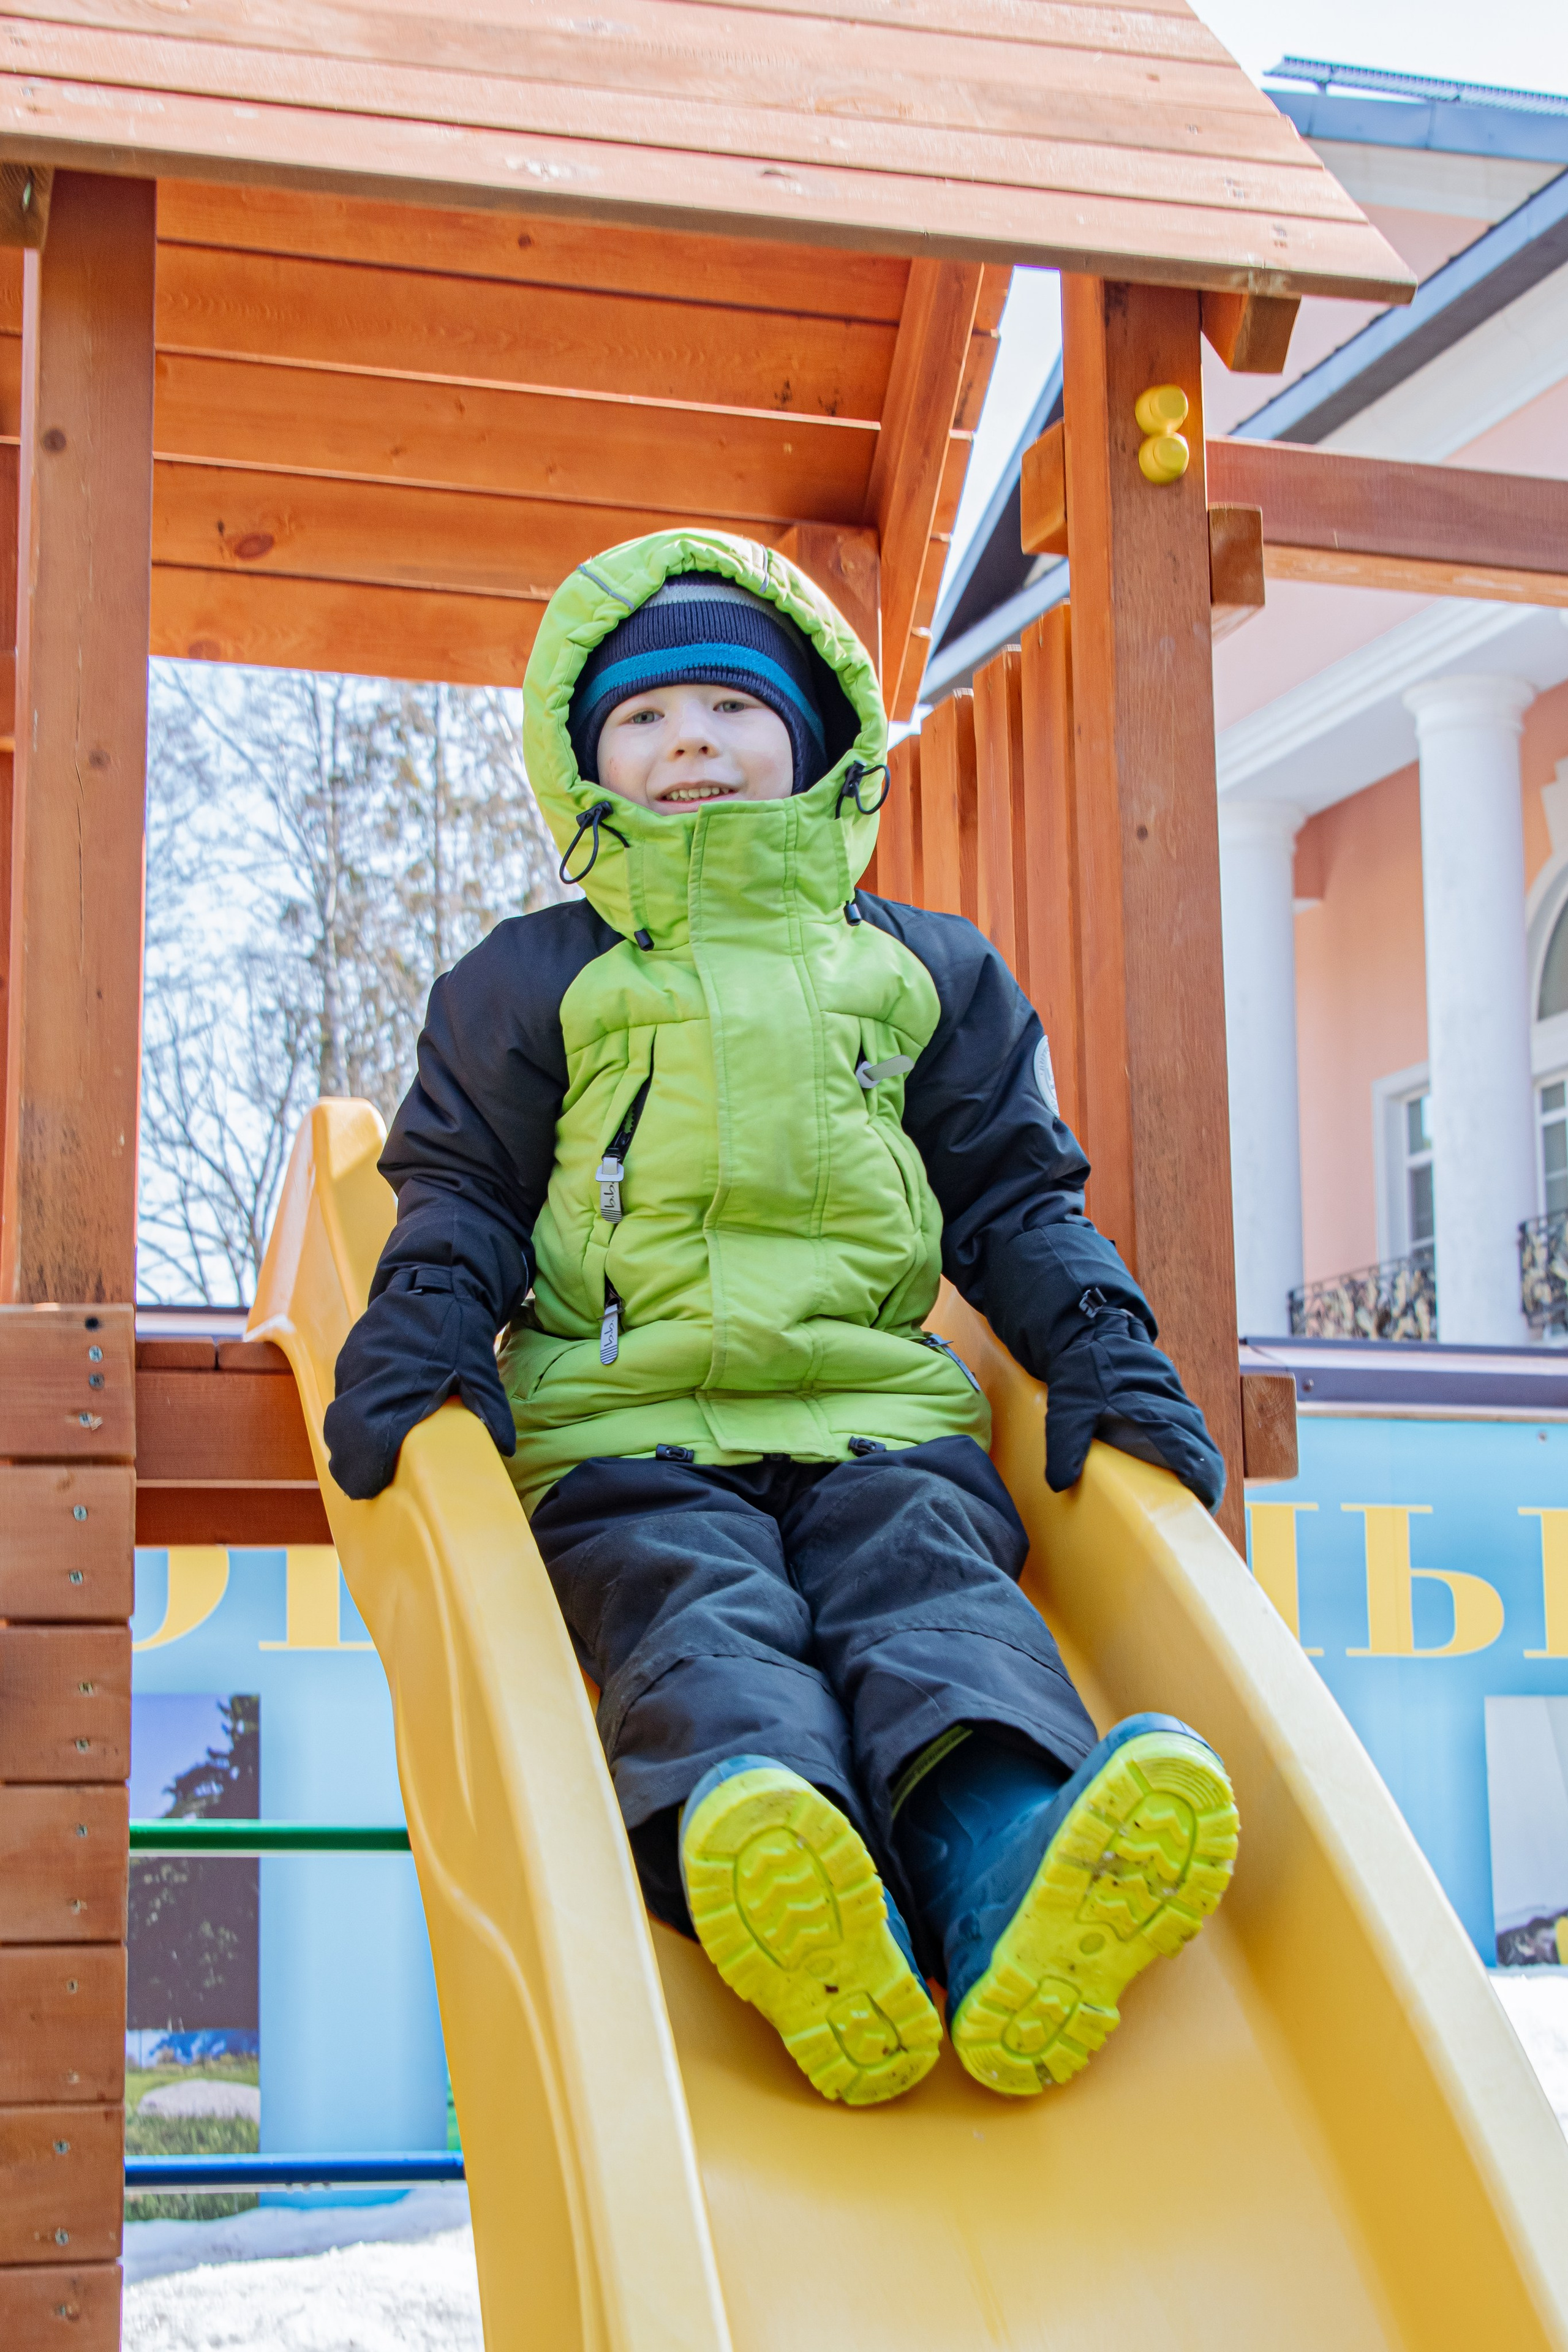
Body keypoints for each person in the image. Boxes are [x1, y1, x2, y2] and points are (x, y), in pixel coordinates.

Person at [324, 531, 1240, 2108]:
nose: (690, 739)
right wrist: (419, 1342)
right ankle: (772, 1862)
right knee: (697, 1626)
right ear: (584, 770)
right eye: (642, 718)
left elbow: (1016, 1196)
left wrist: (1102, 1350)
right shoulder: (535, 979)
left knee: (939, 1608)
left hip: (879, 1420)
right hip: (629, 1438)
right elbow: (462, 1189)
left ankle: (1007, 1867)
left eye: (731, 709)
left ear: (811, 740)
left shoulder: (925, 973)